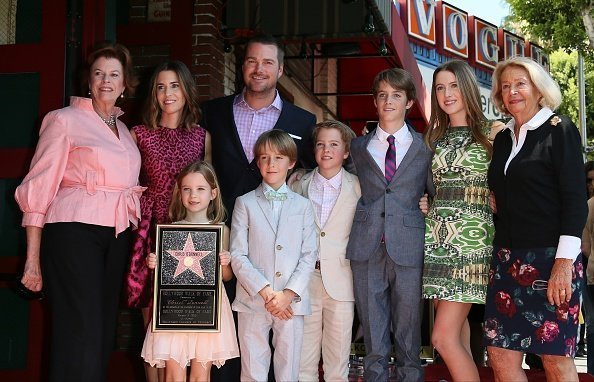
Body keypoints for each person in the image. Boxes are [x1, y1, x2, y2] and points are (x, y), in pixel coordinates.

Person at [14, 42, 143, 382]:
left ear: (124, 83)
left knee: (102, 331)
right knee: (80, 328)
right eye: (99, 73)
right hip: (73, 231)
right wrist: (32, 259)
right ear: (88, 80)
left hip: (117, 235)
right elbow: (39, 186)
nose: (105, 81)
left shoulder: (125, 130)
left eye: (114, 74)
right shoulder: (63, 120)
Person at [485, 56, 587, 381]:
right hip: (506, 261)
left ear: (538, 90)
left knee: (554, 358)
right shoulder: (503, 139)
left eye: (520, 84)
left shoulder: (560, 131)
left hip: (550, 261)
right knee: (500, 355)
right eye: (506, 86)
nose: (512, 91)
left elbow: (575, 200)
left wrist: (563, 265)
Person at [122, 60, 211, 381]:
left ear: (186, 91)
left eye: (174, 86)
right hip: (150, 234)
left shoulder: (201, 137)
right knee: (153, 330)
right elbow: (126, 187)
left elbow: (210, 190)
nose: (167, 93)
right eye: (161, 87)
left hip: (189, 240)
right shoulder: (139, 134)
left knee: (184, 324)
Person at [346, 68, 434, 382]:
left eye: (396, 95)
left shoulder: (426, 148)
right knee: (372, 335)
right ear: (374, 101)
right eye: (382, 94)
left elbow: (436, 196)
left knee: (410, 334)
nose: (388, 101)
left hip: (410, 246)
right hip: (366, 247)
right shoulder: (357, 147)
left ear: (409, 101)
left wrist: (429, 206)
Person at [421, 60, 497, 380]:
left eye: (453, 86)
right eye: (440, 87)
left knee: (442, 337)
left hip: (471, 241)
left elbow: (510, 181)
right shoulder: (433, 138)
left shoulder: (493, 132)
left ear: (467, 88)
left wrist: (499, 199)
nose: (447, 93)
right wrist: (428, 203)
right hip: (437, 238)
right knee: (459, 335)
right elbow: (434, 186)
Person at [230, 129, 318, 381]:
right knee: (252, 370)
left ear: (291, 163)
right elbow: (238, 254)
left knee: (288, 370)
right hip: (253, 299)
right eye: (265, 158)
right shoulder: (244, 203)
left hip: (291, 303)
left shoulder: (303, 206)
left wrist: (288, 294)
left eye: (279, 158)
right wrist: (267, 292)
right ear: (257, 162)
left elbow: (309, 255)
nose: (271, 164)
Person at [141, 161, 239, 382]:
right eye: (187, 189)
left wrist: (224, 262)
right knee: (173, 373)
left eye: (200, 189)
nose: (193, 195)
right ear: (180, 192)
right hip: (174, 306)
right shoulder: (170, 229)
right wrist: (154, 263)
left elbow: (226, 277)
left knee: (200, 374)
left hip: (208, 307)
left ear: (213, 193)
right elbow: (162, 278)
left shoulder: (221, 230)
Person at [201, 34, 316, 218]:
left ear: (280, 70)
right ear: (243, 66)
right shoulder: (213, 112)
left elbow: (311, 174)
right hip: (219, 222)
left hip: (275, 227)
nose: (258, 69)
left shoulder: (302, 122)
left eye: (268, 62)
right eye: (252, 61)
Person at [291, 120, 360, 381]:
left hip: (342, 281)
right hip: (306, 281)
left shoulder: (358, 187)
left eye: (334, 144)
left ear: (345, 152)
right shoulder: (298, 185)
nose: (326, 150)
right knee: (303, 362)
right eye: (321, 144)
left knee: (337, 362)